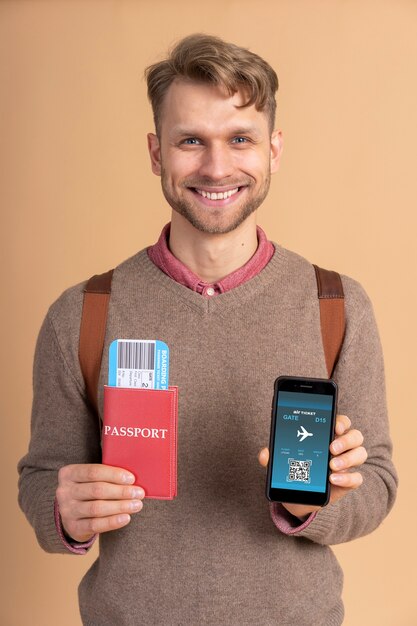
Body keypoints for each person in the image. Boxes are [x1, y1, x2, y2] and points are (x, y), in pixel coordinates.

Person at [18, 34, 397, 625]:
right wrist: (63, 510)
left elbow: (377, 485)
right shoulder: (83, 312)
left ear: (273, 150)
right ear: (155, 152)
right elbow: (42, 480)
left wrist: (311, 503)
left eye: (239, 139)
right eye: (190, 140)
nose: (216, 167)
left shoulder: (337, 304)